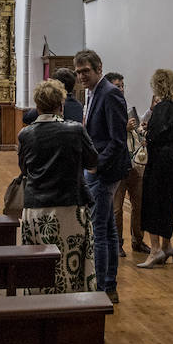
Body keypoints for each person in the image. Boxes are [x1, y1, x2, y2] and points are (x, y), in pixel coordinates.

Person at [17, 79, 99, 294]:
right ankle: (69, 311)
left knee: (39, 263)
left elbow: (24, 169)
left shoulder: (26, 134)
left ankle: (38, 306)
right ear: (60, 105)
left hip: (36, 207)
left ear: (37, 106)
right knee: (69, 264)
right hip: (70, 206)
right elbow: (92, 161)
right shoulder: (75, 130)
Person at [75, 49, 130, 304]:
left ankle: (101, 287)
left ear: (99, 68)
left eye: (86, 71)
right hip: (98, 170)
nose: (81, 76)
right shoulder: (94, 92)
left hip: (104, 172)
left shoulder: (110, 94)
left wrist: (96, 165)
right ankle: (108, 285)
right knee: (107, 230)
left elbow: (118, 141)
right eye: (78, 72)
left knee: (99, 231)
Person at [137, 69, 173, 268]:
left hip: (158, 160)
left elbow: (152, 136)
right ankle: (167, 245)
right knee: (167, 201)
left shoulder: (161, 108)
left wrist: (142, 131)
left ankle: (155, 249)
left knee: (152, 201)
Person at [106, 72, 148, 256]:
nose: (121, 89)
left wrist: (140, 133)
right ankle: (117, 243)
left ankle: (138, 241)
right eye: (117, 86)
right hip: (117, 164)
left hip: (134, 164)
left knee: (139, 205)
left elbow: (136, 133)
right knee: (116, 208)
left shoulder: (127, 107)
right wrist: (124, 129)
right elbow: (106, 136)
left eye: (122, 85)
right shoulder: (106, 107)